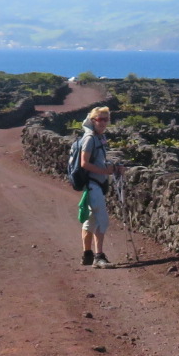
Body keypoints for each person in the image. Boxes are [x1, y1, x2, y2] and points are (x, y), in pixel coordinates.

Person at [71, 105, 121, 267]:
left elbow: (97, 160)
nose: (104, 122)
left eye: (106, 119)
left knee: (91, 220)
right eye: (100, 119)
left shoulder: (98, 138)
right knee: (102, 221)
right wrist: (105, 171)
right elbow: (84, 163)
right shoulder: (90, 139)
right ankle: (98, 257)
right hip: (93, 185)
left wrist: (112, 167)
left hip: (94, 185)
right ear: (93, 120)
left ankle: (87, 255)